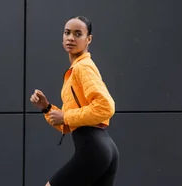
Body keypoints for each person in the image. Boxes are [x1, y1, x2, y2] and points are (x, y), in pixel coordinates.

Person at [29, 16, 119, 186]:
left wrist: (65, 116)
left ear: (88, 39)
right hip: (104, 148)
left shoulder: (82, 67)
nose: (71, 38)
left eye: (78, 34)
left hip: (94, 149)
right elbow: (69, 123)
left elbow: (105, 107)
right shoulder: (77, 68)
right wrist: (46, 108)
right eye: (67, 33)